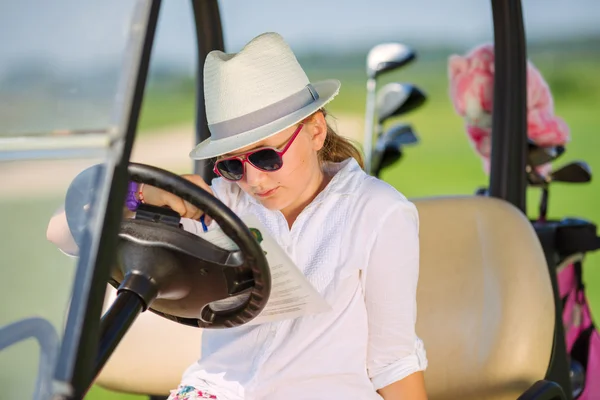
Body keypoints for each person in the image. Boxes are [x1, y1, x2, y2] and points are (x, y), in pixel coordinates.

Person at [47, 32, 428, 400]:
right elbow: (62, 231)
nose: (254, 179)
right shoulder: (215, 203)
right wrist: (141, 192)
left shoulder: (379, 211)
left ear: (315, 131)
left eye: (266, 156)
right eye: (232, 164)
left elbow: (392, 361)